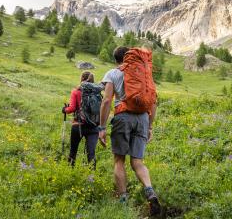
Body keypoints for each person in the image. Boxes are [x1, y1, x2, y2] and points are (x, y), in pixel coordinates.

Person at [98, 46, 161, 216]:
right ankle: (149, 190)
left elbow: (106, 101)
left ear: (115, 59)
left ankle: (123, 199)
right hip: (142, 118)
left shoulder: (113, 73)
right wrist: (149, 126)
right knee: (137, 162)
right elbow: (153, 102)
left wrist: (102, 127)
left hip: (123, 116)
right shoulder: (143, 74)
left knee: (119, 160)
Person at [62, 71, 103, 168]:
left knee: (73, 151)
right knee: (91, 153)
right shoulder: (98, 94)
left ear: (82, 79)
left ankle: (70, 172)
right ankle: (92, 177)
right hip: (93, 127)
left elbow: (71, 109)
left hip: (78, 125)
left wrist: (64, 109)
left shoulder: (76, 91)